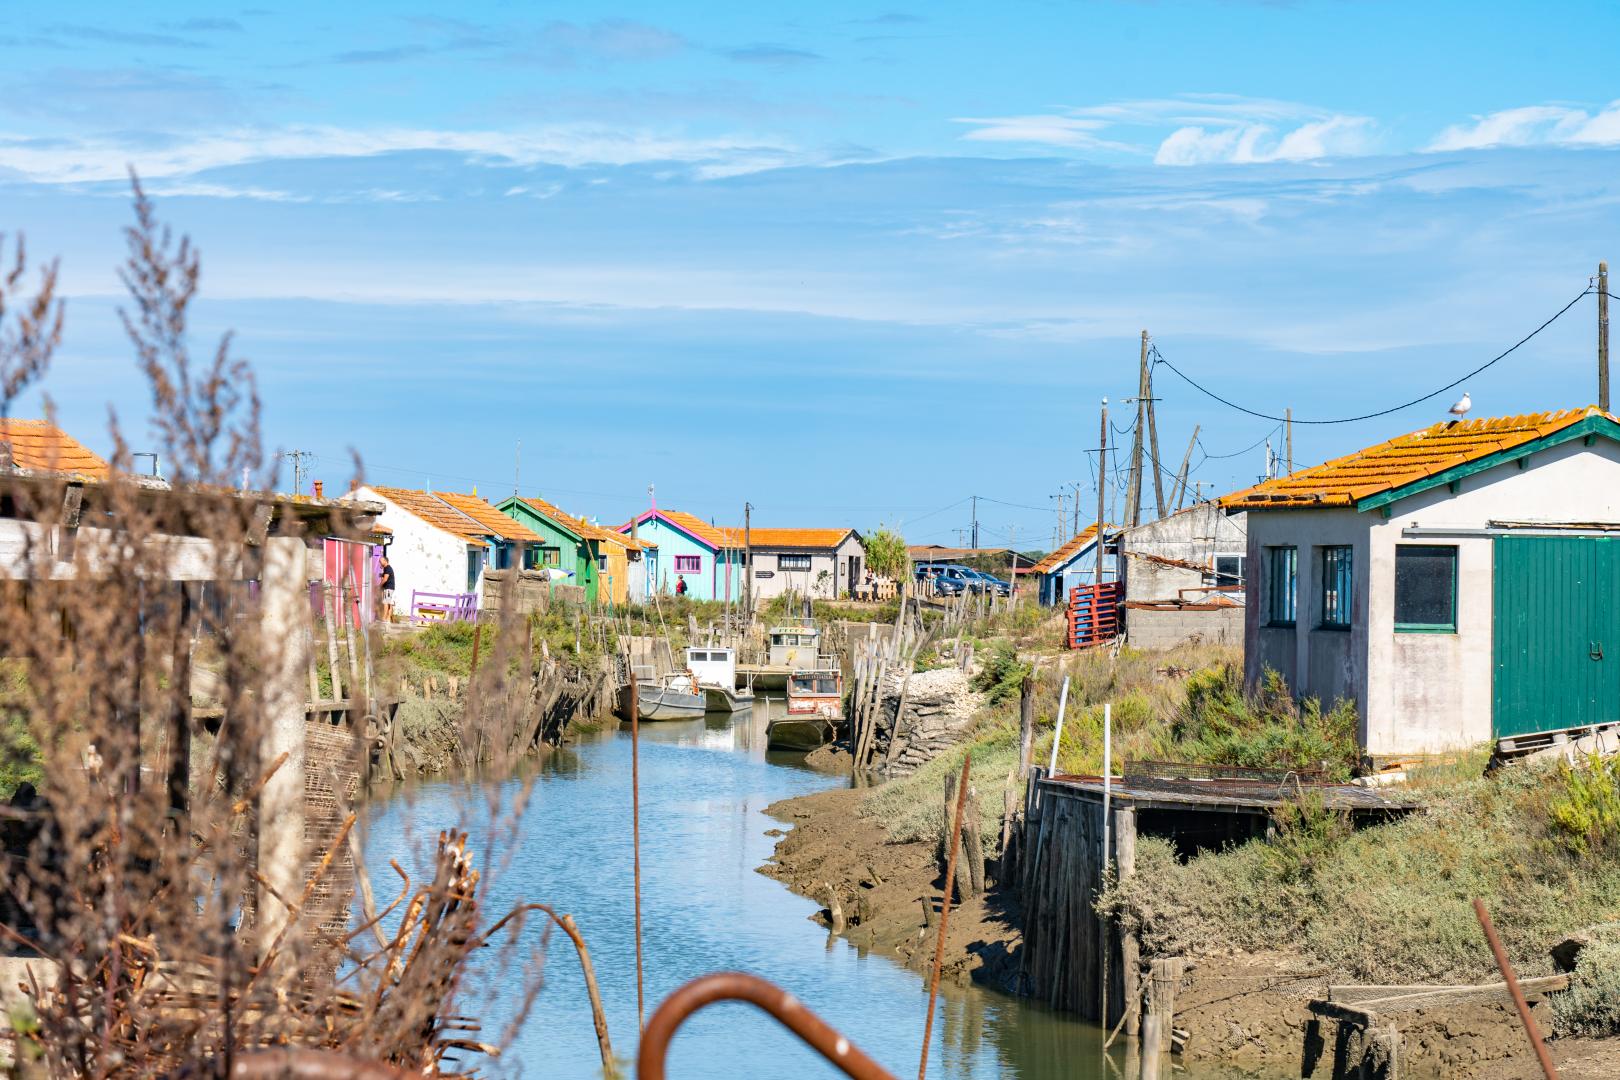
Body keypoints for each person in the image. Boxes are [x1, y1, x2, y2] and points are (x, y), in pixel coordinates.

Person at [378, 555, 396, 623]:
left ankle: (384, 618)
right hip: (390, 588)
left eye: (381, 561)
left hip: (388, 588)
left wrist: (379, 586)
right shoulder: (386, 568)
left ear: (385, 561)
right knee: (389, 603)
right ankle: (388, 618)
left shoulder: (388, 568)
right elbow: (384, 576)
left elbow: (385, 579)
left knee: (386, 603)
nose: (380, 562)